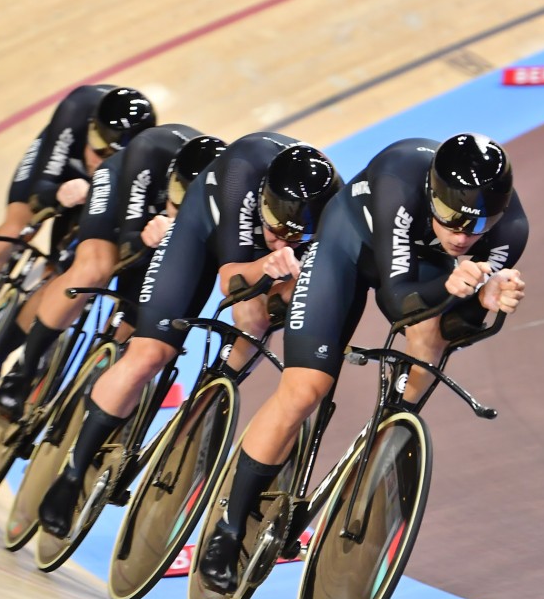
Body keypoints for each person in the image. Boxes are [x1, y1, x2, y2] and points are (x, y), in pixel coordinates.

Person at [197, 132, 529, 593]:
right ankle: (228, 530)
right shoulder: (399, 178)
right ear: (431, 194)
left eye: (478, 227)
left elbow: (455, 329)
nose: (462, 236)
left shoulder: (511, 232)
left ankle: (392, 428)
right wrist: (457, 287)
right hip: (349, 246)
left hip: (422, 269)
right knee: (304, 390)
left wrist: (482, 303)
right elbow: (397, 298)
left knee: (431, 338)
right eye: (452, 219)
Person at [36, 132, 344, 538]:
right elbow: (231, 279)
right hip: (202, 229)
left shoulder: (328, 209)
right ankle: (72, 474)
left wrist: (288, 277)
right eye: (274, 227)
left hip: (264, 254)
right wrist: (269, 262)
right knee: (149, 354)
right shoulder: (243, 173)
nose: (280, 237)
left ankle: (218, 389)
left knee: (263, 315)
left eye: (293, 234)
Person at [0, 127, 229, 420]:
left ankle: (89, 397)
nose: (179, 208)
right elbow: (127, 245)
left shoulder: (226, 207)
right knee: (93, 270)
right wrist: (145, 239)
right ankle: (23, 372)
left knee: (138, 326)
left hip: (166, 231)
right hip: (121, 194)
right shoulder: (150, 153)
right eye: (177, 194)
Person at [0, 85, 157, 362]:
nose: (99, 160)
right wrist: (57, 194)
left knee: (62, 274)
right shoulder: (76, 111)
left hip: (101, 197)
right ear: (90, 128)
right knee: (17, 226)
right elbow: (41, 189)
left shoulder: (140, 169)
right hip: (57, 172)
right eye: (97, 147)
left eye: (112, 158)